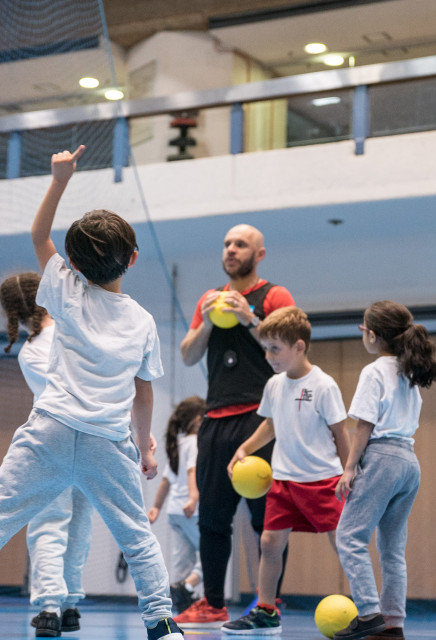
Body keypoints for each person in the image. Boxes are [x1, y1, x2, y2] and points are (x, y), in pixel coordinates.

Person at [0, 146, 183, 640]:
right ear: (133, 259)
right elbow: (143, 395)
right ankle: (162, 625)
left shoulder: (64, 292)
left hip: (49, 429)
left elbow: (37, 234)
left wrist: (60, 179)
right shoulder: (142, 322)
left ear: (71, 262)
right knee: (137, 536)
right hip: (107, 442)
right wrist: (145, 444)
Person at [176, 224, 295, 628]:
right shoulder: (209, 299)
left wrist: (250, 318)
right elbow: (188, 355)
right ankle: (212, 603)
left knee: (268, 519)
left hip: (261, 420)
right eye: (227, 244)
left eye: (240, 244)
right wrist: (209, 320)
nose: (230, 250)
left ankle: (268, 602)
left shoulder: (274, 296)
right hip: (215, 419)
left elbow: (289, 346)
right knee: (211, 518)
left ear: (258, 254)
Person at [222, 306, 350, 635]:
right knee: (269, 542)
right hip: (283, 481)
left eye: (275, 349)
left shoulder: (323, 385)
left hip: (323, 481)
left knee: (345, 544)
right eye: (266, 348)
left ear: (299, 347)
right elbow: (270, 424)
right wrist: (246, 448)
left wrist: (350, 473)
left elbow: (341, 433)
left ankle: (365, 607)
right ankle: (266, 609)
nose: (269, 356)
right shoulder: (275, 385)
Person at [333, 301, 436, 640]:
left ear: (373, 335)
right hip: (409, 462)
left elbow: (364, 424)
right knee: (392, 549)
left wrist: (349, 468)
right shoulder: (410, 373)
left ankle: (368, 614)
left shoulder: (375, 371)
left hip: (381, 459)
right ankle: (393, 623)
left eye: (363, 329)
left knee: (349, 537)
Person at [0, 272, 94, 637]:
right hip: (93, 439)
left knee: (49, 523)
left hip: (52, 441)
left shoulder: (31, 351)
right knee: (79, 524)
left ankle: (50, 607)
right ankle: (70, 605)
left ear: (11, 312)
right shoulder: (77, 330)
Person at [147, 396, 206, 614]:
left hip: (174, 511)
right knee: (211, 553)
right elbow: (192, 471)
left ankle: (181, 605)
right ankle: (188, 586)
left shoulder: (178, 444)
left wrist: (156, 507)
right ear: (198, 420)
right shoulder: (195, 443)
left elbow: (166, 480)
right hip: (192, 510)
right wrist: (193, 498)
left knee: (183, 558)